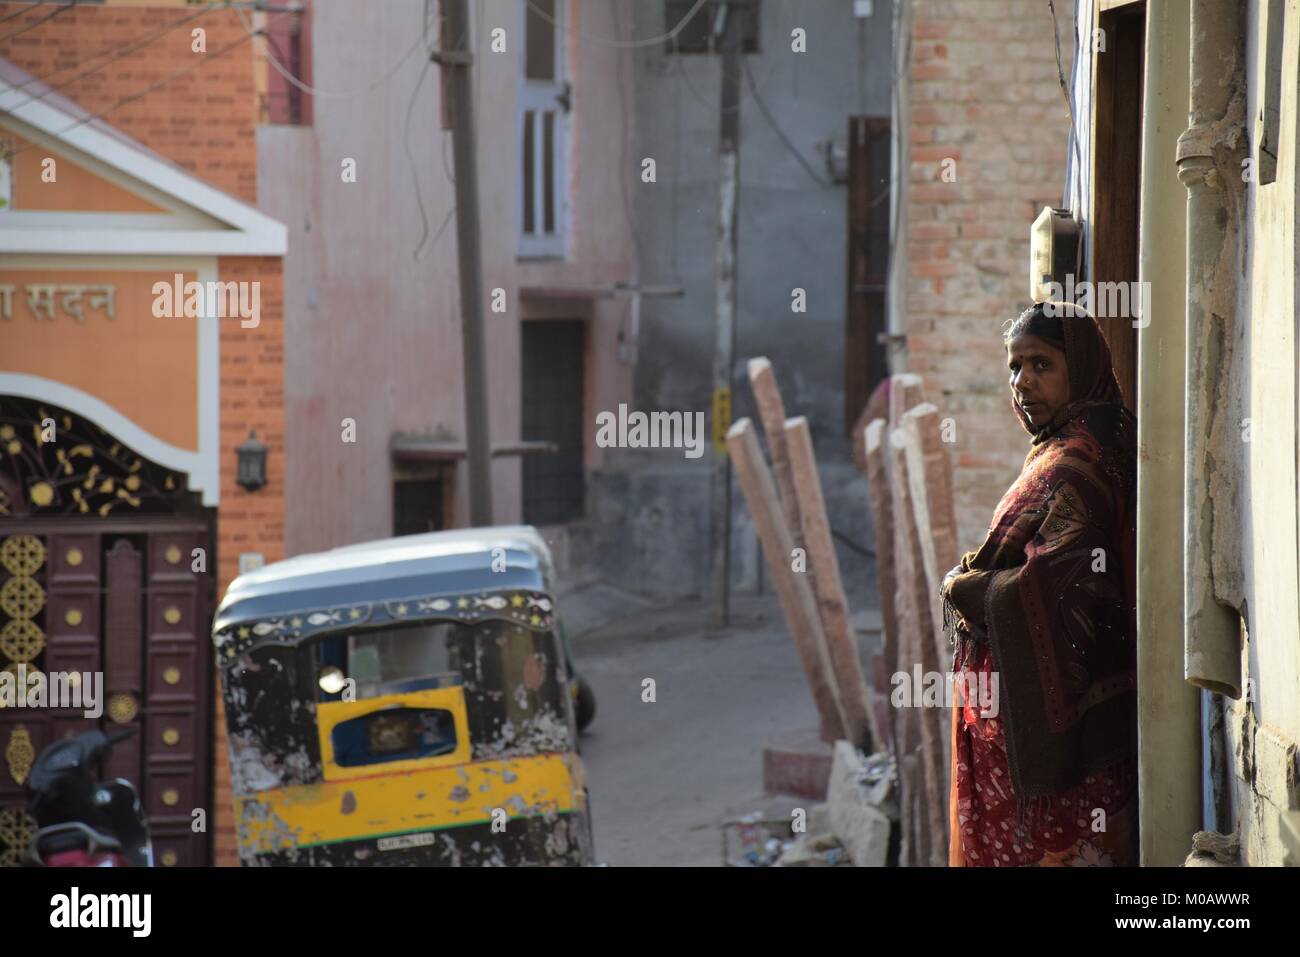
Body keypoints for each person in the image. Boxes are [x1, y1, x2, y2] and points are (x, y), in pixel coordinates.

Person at [941, 301, 1139, 867]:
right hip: (1050, 734)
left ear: (1079, 365)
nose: (1022, 382)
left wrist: (966, 588)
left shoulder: (1078, 460)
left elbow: (1056, 582)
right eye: (1014, 367)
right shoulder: (1071, 444)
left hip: (1056, 753)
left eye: (1041, 366)